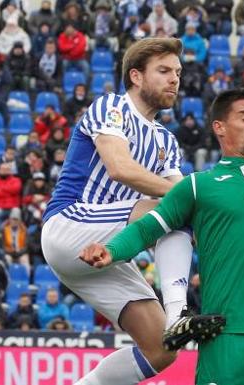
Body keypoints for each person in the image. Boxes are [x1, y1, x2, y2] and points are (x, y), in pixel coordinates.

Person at [80, 86, 244, 385]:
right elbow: (148, 227)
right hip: (227, 341)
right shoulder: (198, 186)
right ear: (220, 127)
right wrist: (111, 250)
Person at [40, 38, 207, 385]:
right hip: (68, 226)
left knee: (162, 349)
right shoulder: (111, 108)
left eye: (177, 72)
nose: (174, 79)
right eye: (163, 71)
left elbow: (186, 201)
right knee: (171, 208)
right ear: (136, 75)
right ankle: (179, 308)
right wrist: (193, 193)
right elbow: (120, 168)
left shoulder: (166, 141)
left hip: (107, 249)